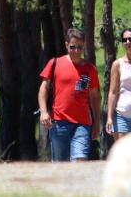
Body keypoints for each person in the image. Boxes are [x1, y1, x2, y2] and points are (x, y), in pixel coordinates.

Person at [38, 27, 102, 162]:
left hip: (82, 124)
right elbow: (43, 88)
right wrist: (44, 111)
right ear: (67, 45)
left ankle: (78, 183)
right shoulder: (55, 63)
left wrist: (96, 122)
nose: (76, 51)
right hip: (59, 123)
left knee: (80, 159)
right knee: (60, 165)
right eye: (73, 47)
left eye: (80, 47)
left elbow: (95, 96)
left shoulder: (89, 69)